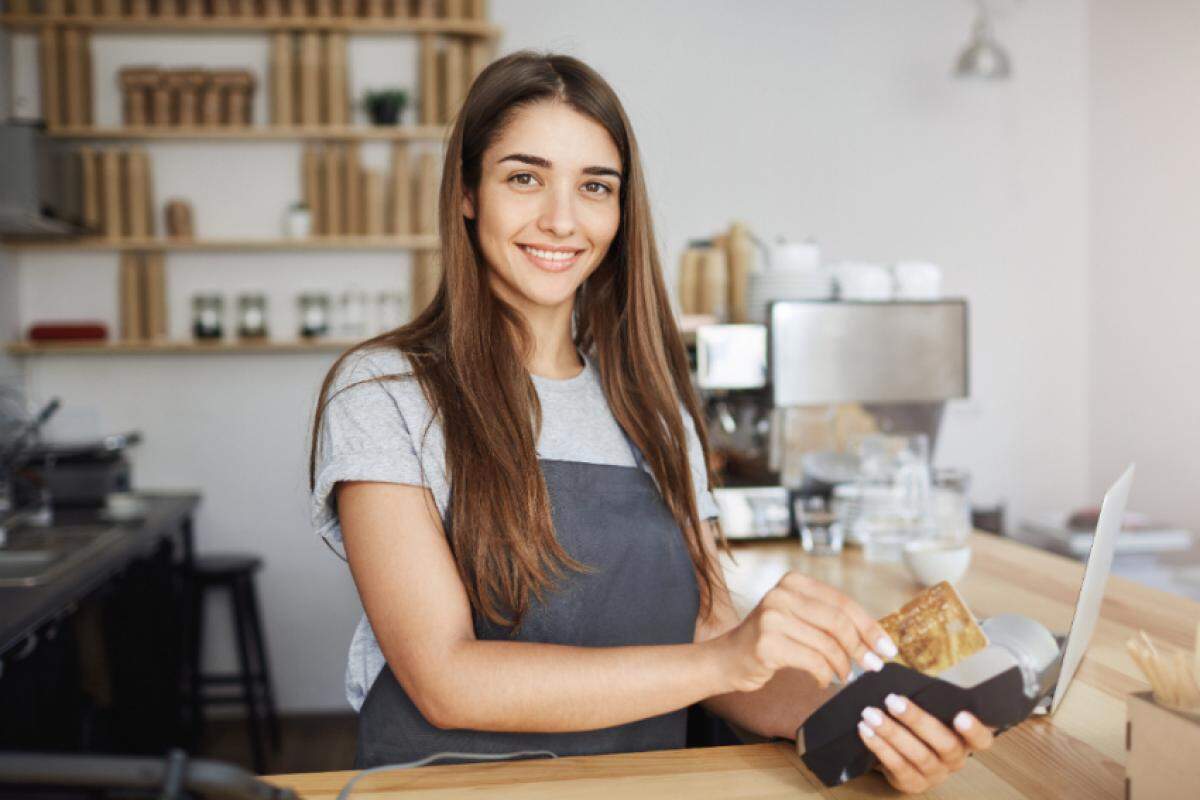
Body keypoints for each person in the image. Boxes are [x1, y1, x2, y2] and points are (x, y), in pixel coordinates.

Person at [308, 50, 993, 793]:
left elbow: (705, 637)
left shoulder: (652, 405)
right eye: (524, 178)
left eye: (594, 187)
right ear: (469, 192)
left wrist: (871, 721)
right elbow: (446, 679)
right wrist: (726, 656)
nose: (562, 219)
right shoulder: (385, 391)